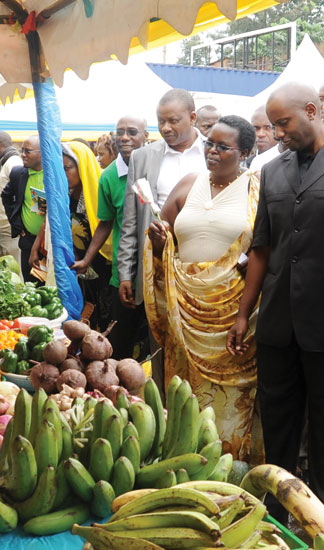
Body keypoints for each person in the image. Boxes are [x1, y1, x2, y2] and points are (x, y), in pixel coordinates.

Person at [227, 82, 324, 521]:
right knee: (278, 427)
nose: (277, 132)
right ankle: (274, 517)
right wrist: (243, 313)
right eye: (273, 125)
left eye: (284, 122)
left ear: (313, 111)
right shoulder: (272, 171)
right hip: (277, 323)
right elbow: (262, 247)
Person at [145, 115, 263, 463]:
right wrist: (158, 242)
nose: (212, 151)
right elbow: (164, 238)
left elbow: (269, 243)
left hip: (233, 308)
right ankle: (185, 462)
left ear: (244, 152)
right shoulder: (189, 183)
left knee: (230, 398)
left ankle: (229, 466)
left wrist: (250, 258)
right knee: (186, 392)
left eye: (222, 147)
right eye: (209, 143)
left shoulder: (258, 188)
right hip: (186, 309)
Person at [119, 88, 207, 395]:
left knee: (200, 340)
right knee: (160, 339)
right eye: (161, 122)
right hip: (156, 264)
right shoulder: (143, 157)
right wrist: (126, 273)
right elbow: (130, 220)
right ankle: (163, 408)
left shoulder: (216, 151)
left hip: (202, 268)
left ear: (193, 118)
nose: (166, 128)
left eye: (173, 120)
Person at [73, 116, 149, 359]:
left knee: (153, 342)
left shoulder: (157, 168)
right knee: (119, 341)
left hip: (157, 272)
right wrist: (87, 259)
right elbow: (105, 223)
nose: (125, 137)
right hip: (124, 274)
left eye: (132, 132)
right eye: (120, 132)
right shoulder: (108, 177)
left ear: (145, 136)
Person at [32, 142, 112, 324]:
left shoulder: (100, 187)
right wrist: (36, 246)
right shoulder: (58, 190)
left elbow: (106, 226)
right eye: (59, 169)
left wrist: (87, 259)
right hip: (72, 262)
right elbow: (46, 217)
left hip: (99, 262)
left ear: (81, 166)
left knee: (101, 309)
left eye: (67, 168)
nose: (63, 174)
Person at [2, 135, 44, 282]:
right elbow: (5, 196)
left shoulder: (54, 175)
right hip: (28, 240)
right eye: (22, 150)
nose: (23, 155)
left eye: (28, 151)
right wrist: (17, 223)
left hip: (50, 243)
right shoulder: (18, 174)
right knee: (30, 285)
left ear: (42, 152)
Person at [0, 131, 23, 265]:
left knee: (14, 270)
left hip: (10, 228)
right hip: (2, 226)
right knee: (2, 270)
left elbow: (19, 194)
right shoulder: (5, 162)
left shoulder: (13, 162)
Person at [248, 105, 280, 174]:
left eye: (268, 127)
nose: (260, 134)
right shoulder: (245, 164)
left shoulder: (291, 161)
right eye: (256, 128)